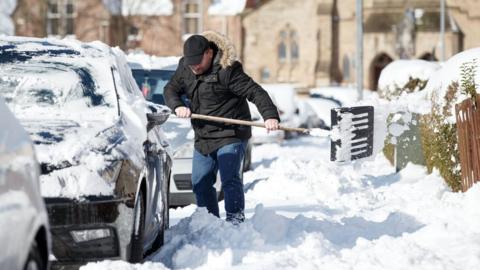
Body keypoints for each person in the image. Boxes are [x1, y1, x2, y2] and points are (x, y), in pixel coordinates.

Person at [164, 31, 280, 224]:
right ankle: (209, 221)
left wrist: (270, 116)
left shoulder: (228, 70)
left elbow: (255, 92)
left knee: (229, 179)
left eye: (198, 63)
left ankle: (235, 221)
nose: (194, 68)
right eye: (190, 63)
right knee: (200, 182)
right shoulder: (185, 68)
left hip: (231, 133)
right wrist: (177, 105)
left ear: (209, 53)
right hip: (204, 135)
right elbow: (170, 89)